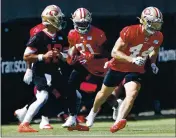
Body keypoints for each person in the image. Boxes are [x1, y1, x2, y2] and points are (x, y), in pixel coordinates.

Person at [86, 6, 163, 133]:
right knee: (103, 94)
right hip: (118, 66)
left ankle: (118, 122)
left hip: (135, 69)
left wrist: (153, 63)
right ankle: (92, 114)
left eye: (157, 23)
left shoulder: (158, 36)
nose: (155, 27)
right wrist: (132, 59)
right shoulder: (130, 31)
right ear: (144, 21)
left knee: (132, 93)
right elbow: (114, 52)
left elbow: (155, 49)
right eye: (153, 23)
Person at [17, 4, 76, 132]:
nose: (60, 21)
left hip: (55, 71)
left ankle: (73, 120)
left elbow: (67, 56)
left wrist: (62, 55)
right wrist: (42, 57)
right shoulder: (39, 36)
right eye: (58, 18)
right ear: (50, 20)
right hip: (41, 71)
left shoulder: (60, 35)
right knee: (43, 96)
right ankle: (25, 123)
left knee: (73, 92)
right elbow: (26, 56)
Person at [62, 7, 110, 128]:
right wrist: (70, 55)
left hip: (100, 66)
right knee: (71, 85)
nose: (82, 25)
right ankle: (72, 117)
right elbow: (73, 47)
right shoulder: (72, 33)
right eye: (79, 23)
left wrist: (92, 55)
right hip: (84, 64)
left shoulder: (98, 33)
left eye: (84, 23)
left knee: (102, 92)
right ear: (74, 22)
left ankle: (115, 105)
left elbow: (108, 52)